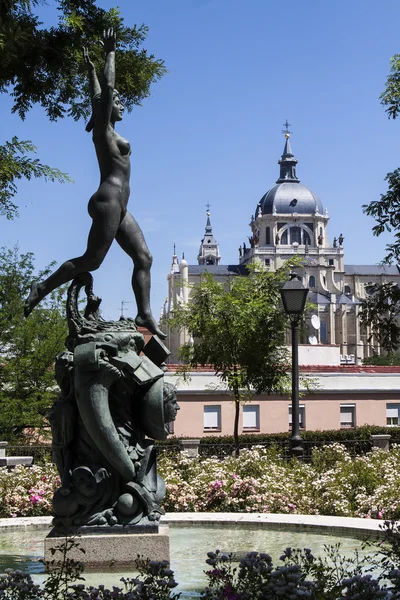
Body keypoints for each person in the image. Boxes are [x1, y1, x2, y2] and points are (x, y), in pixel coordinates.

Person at [24, 28, 165, 339]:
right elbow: (104, 92)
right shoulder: (103, 132)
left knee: (144, 257)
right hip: (108, 201)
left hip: (120, 205)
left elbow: (98, 95)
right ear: (107, 108)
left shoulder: (110, 130)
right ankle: (44, 286)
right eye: (118, 102)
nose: (122, 104)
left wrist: (90, 70)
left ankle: (144, 312)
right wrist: (110, 53)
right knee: (93, 261)